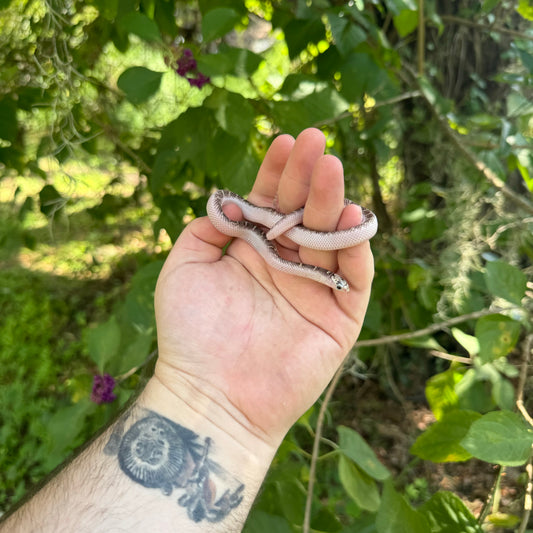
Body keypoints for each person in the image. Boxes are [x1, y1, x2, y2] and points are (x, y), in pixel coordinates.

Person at [0, 128, 374, 532]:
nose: (337, 283)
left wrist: (219, 413)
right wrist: (197, 394)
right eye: (334, 281)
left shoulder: (296, 257)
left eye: (335, 283)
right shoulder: (256, 231)